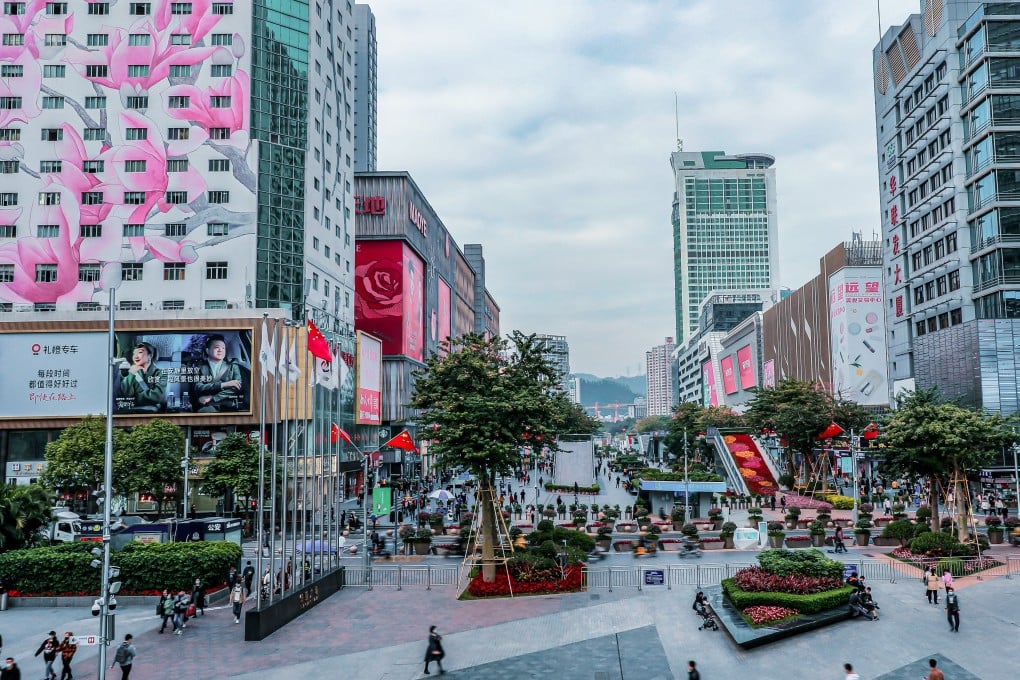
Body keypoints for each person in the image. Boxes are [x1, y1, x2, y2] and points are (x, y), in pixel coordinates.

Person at [193, 334, 245, 412]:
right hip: (207, 405)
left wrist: (213, 397)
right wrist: (224, 385)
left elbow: (237, 387)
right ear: (207, 350)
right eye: (217, 347)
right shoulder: (199, 367)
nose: (220, 350)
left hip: (229, 405)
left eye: (223, 348)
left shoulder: (233, 366)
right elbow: (198, 387)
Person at [117, 342, 164, 412]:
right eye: (134, 354)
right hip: (130, 410)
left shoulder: (160, 373)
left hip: (150, 410)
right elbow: (125, 396)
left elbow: (156, 397)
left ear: (150, 356)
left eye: (140, 352)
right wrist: (131, 374)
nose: (135, 356)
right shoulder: (130, 372)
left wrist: (135, 397)